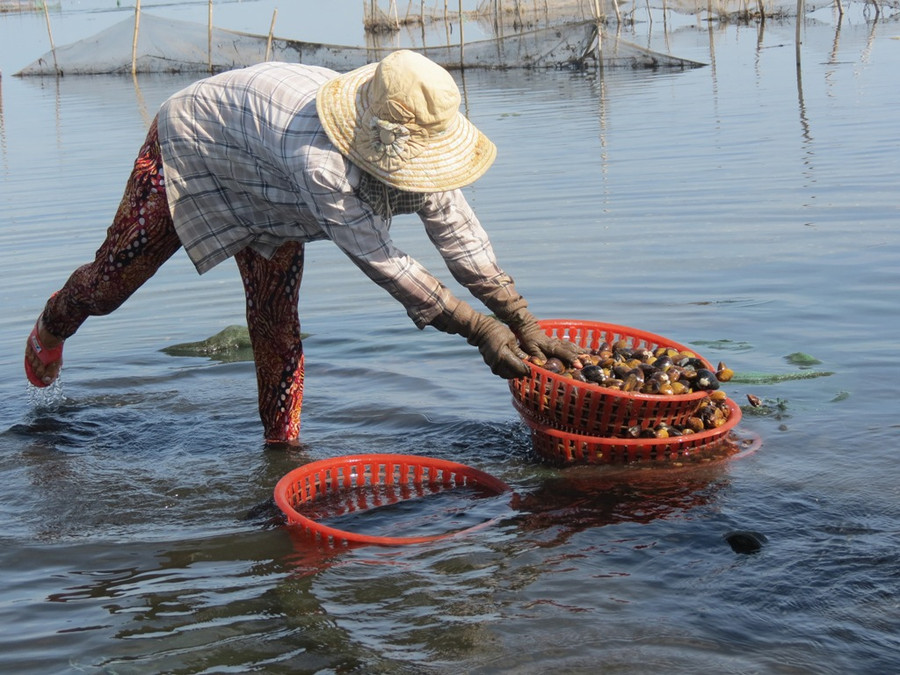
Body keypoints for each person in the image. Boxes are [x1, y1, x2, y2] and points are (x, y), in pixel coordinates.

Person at [24, 49, 580, 444]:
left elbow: (457, 230)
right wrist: (479, 329)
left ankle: (281, 450)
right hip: (196, 146)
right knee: (112, 284)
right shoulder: (320, 161)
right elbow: (384, 261)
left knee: (275, 322)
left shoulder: (421, 140)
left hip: (271, 188)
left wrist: (520, 317)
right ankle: (55, 320)